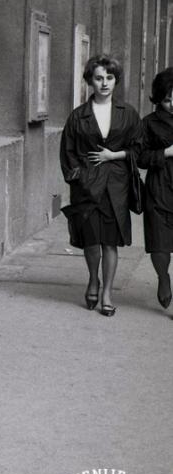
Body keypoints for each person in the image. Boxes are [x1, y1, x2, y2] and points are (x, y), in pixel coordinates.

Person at [59, 54, 143, 317]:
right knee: (91, 241)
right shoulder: (78, 116)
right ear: (89, 82)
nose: (104, 83)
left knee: (110, 242)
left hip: (116, 187)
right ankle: (92, 279)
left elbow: (139, 148)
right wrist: (80, 179)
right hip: (87, 188)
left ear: (115, 80)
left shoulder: (127, 113)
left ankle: (106, 291)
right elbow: (67, 153)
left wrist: (114, 156)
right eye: (98, 78)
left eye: (109, 78)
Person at [139, 67, 173, 309]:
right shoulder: (149, 123)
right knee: (160, 244)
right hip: (160, 186)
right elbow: (139, 156)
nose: (171, 104)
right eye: (167, 100)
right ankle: (163, 277)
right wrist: (166, 153)